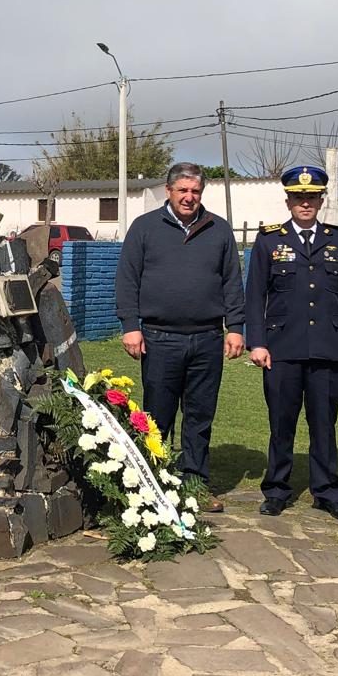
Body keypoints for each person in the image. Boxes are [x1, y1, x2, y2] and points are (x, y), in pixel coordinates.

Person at [114, 163, 246, 508]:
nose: (189, 197)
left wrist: (235, 328)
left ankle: (195, 485)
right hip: (159, 338)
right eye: (182, 190)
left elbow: (232, 282)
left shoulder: (218, 229)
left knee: (200, 416)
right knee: (157, 416)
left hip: (207, 338)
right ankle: (152, 486)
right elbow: (127, 279)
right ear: (169, 192)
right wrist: (131, 326)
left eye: (195, 191)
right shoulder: (144, 228)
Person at [245, 165, 338, 522]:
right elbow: (254, 296)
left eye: (311, 197)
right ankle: (276, 491)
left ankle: (327, 492)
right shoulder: (269, 241)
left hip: (326, 348)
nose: (305, 203)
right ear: (288, 201)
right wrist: (257, 342)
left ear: (320, 200)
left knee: (324, 424)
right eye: (299, 198)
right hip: (281, 348)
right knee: (281, 423)